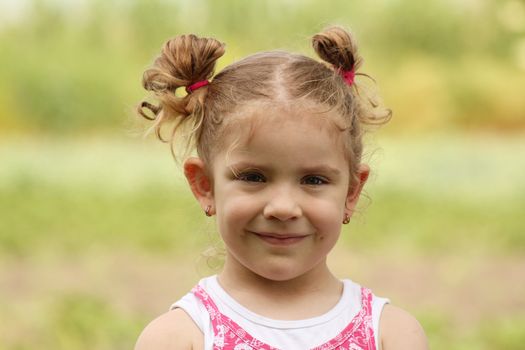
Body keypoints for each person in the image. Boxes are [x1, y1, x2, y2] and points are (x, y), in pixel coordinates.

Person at [134, 26, 428, 350]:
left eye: (314, 180)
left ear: (351, 193)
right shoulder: (181, 337)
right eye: (253, 177)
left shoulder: (391, 335)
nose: (284, 207)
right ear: (205, 185)